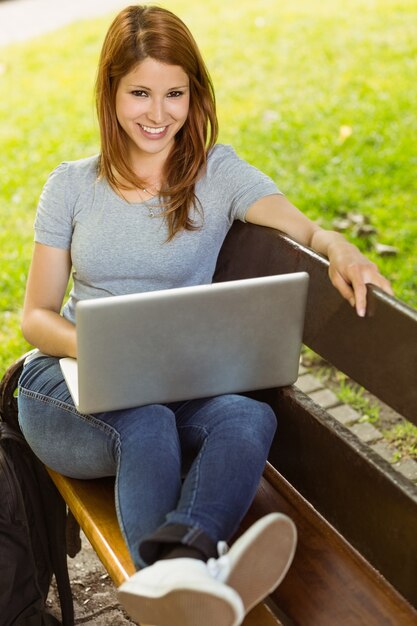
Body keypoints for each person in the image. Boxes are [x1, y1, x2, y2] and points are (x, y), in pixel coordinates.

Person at [17, 5, 393, 626]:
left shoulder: (217, 175)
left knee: (246, 416)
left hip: (171, 385)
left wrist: (338, 247)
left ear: (195, 94)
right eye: (139, 93)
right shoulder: (71, 187)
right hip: (68, 384)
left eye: (174, 93)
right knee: (146, 421)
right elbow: (35, 316)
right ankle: (170, 586)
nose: (157, 114)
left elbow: (303, 227)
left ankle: (185, 560)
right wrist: (106, 351)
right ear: (110, 92)